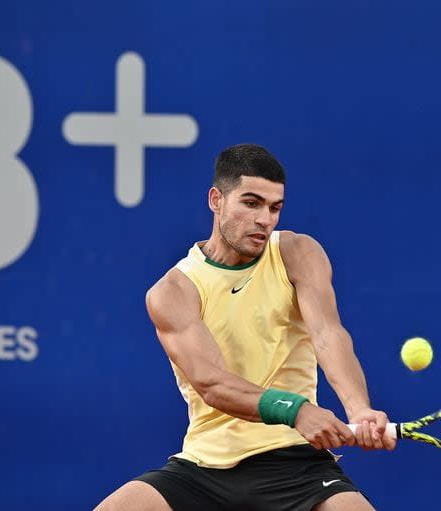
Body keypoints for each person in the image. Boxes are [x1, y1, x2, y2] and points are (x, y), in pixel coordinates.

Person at [95, 144, 396, 511]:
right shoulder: (173, 291)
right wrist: (296, 410)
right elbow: (212, 382)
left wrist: (359, 409)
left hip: (295, 462)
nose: (265, 219)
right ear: (216, 200)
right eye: (251, 203)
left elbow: (328, 334)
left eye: (275, 208)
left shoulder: (297, 253)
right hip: (205, 468)